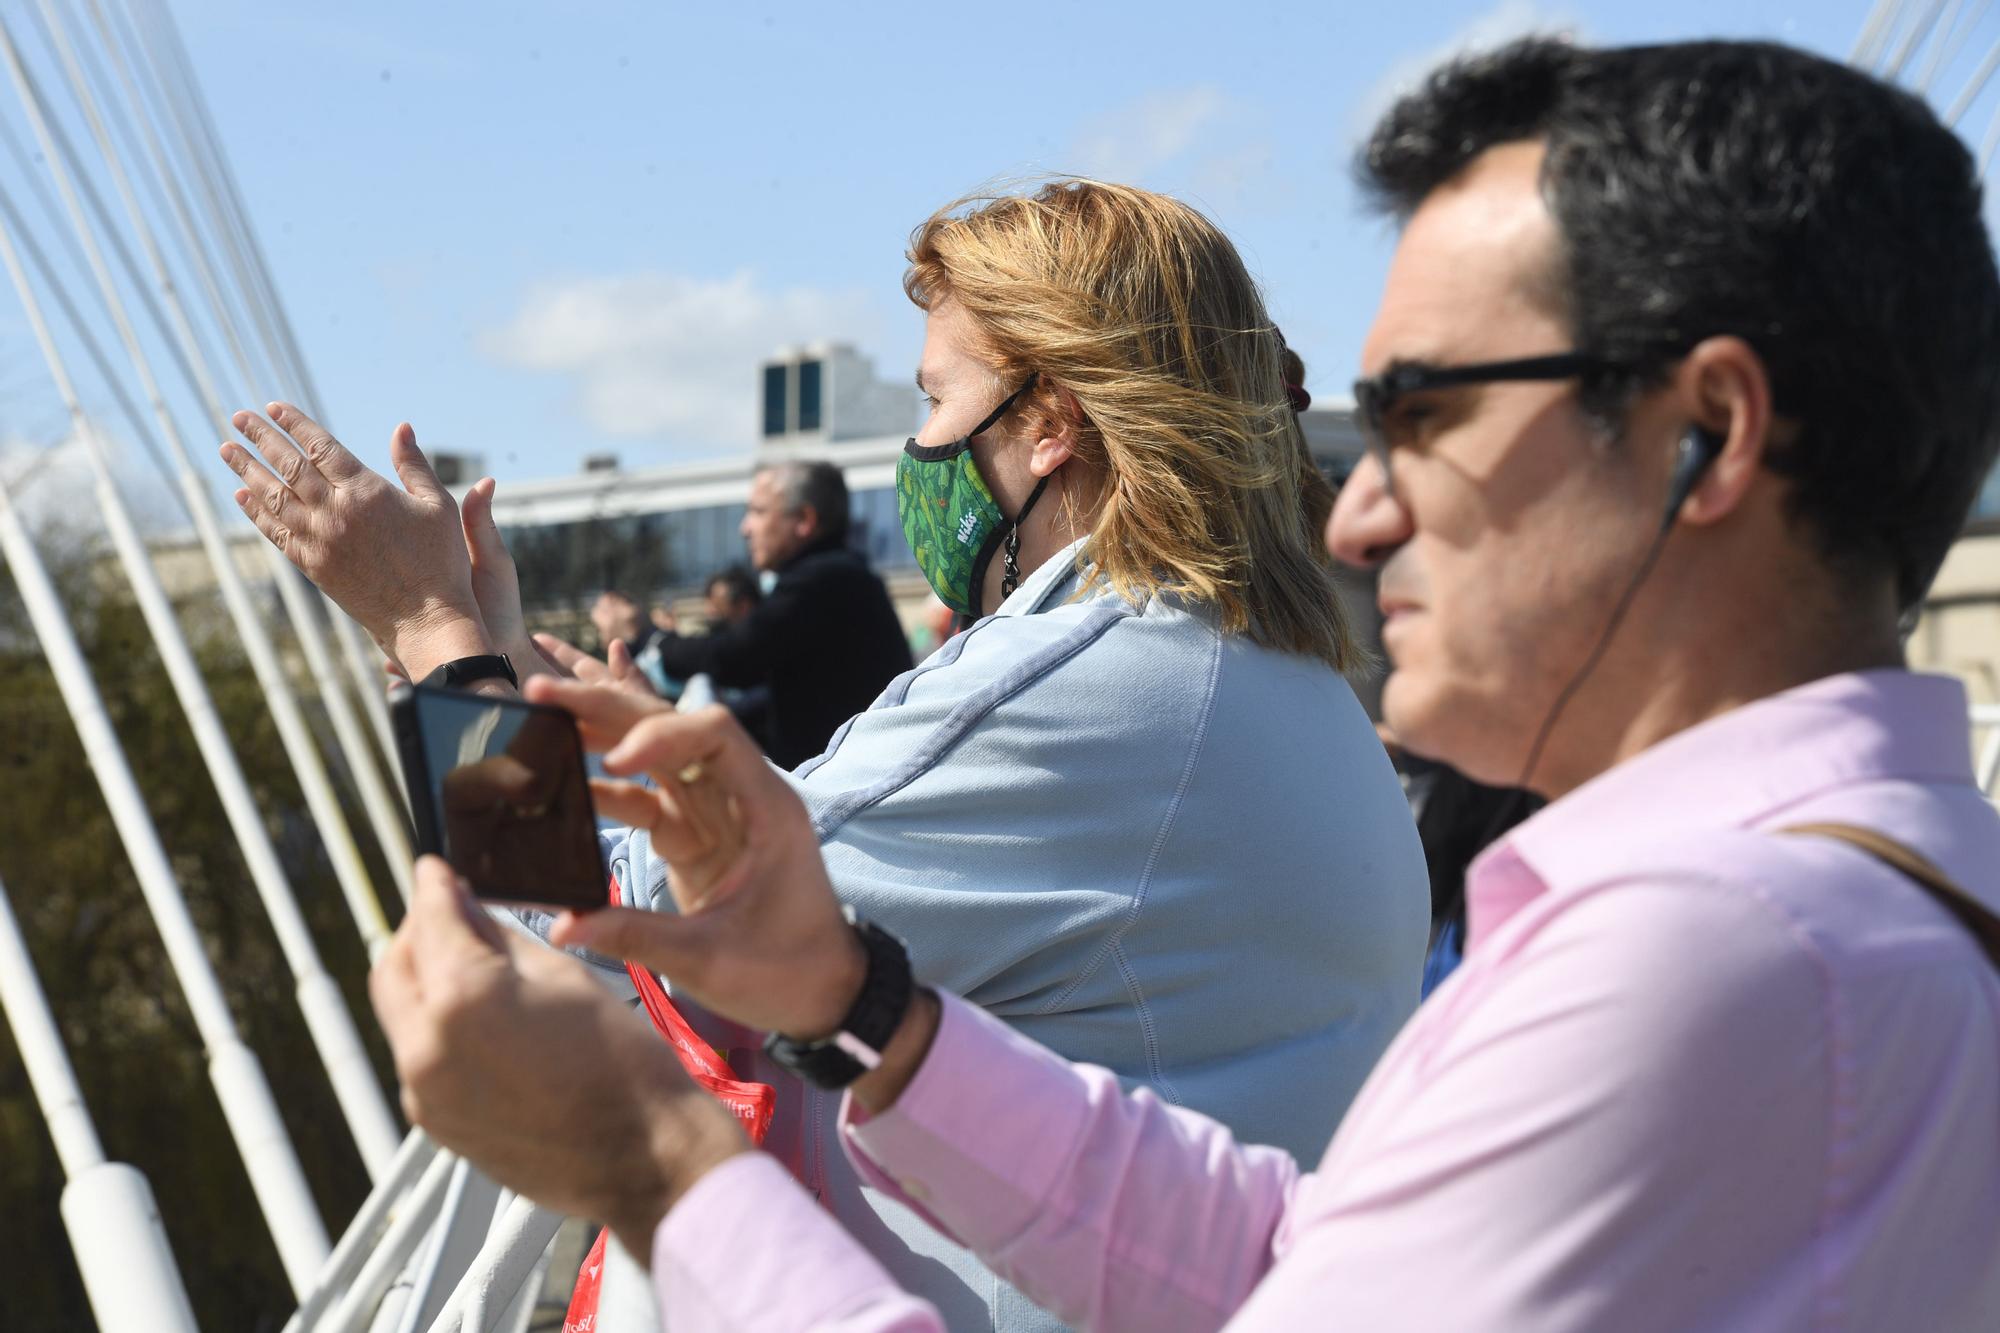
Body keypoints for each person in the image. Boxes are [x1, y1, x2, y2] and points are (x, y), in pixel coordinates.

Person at [364, 37, 2000, 1330]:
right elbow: (1303, 1262)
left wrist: (451, 660)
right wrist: (866, 1001)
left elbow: (558, 943)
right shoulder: (1881, 903)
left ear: (1704, 432)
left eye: (1426, 410)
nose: (1359, 500)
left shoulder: (1713, 957)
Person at [218, 180, 1430, 1328]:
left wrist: (434, 640)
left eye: (936, 399)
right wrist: (515, 686)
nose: (923, 448)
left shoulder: (1098, 678)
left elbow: (617, 933)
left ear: (1052, 421)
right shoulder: (1279, 676)